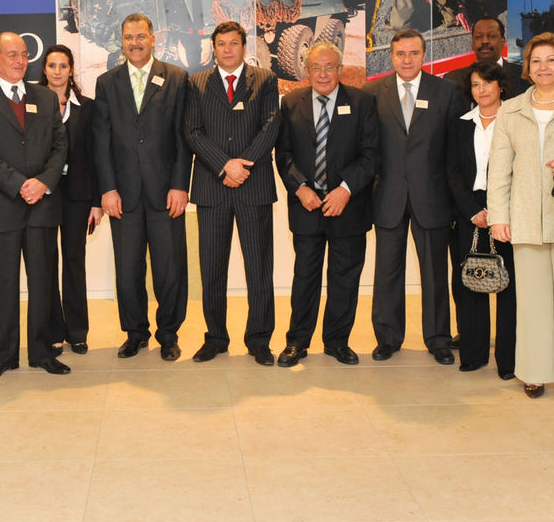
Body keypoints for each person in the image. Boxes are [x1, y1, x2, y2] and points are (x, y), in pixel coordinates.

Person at [488, 32, 554, 399]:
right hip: (525, 219)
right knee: (531, 303)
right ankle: (533, 372)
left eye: (551, 60)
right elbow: (499, 170)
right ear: (527, 69)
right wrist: (499, 216)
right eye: (536, 61)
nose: (543, 67)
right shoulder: (511, 110)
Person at [0, 32, 68, 379]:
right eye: (11, 55)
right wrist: (20, 184)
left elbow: (60, 147)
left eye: (23, 54)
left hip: (41, 207)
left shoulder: (46, 98)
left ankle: (42, 352)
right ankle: (3, 356)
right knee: (4, 285)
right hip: (1, 207)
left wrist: (44, 182)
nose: (19, 61)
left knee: (42, 283)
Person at [91, 14, 191, 361]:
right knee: (129, 269)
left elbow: (183, 137)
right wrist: (107, 189)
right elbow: (100, 141)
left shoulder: (176, 78)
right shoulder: (107, 83)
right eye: (128, 37)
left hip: (166, 194)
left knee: (169, 268)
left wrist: (180, 185)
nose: (135, 42)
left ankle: (168, 334)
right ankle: (135, 333)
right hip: (124, 195)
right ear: (122, 41)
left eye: (141, 36)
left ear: (153, 39)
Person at [274, 41, 378, 367]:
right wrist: (300, 187)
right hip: (306, 207)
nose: (322, 73)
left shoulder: (362, 102)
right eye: (316, 67)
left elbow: (371, 155)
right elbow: (284, 155)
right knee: (305, 276)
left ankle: (336, 341)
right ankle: (297, 342)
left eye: (329, 66)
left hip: (348, 207)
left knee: (344, 278)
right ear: (306, 70)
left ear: (340, 69)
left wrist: (346, 189)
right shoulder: (290, 103)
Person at [183, 21, 280, 365]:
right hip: (212, 186)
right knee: (212, 268)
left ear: (243, 46)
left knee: (259, 267)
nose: (227, 49)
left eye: (234, 43)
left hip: (254, 187)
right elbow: (192, 132)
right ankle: (215, 338)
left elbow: (271, 127)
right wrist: (225, 166)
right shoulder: (196, 83)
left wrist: (243, 166)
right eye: (221, 43)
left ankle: (259, 339)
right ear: (214, 47)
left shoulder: (265, 80)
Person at [363, 29, 459, 365]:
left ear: (423, 55)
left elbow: (454, 153)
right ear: (391, 56)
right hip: (387, 196)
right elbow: (366, 148)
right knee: (387, 271)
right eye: (400, 54)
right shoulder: (373, 92)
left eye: (414, 53)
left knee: (435, 273)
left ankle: (438, 339)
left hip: (432, 198)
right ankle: (388, 337)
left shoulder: (446, 92)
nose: (407, 60)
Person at [447, 61, 517, 377]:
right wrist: (473, 211)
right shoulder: (460, 123)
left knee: (507, 288)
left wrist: (500, 210)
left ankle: (508, 360)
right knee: (472, 282)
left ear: (500, 85)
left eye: (487, 83)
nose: (482, 90)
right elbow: (452, 172)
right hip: (470, 210)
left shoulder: (516, 119)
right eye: (476, 85)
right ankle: (474, 355)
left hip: (508, 208)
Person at [37, 44, 102, 356]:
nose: (58, 71)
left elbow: (97, 156)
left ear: (71, 70)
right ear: (45, 70)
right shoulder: (33, 104)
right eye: (52, 65)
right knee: (46, 263)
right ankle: (53, 331)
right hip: (44, 197)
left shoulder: (87, 108)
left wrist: (97, 202)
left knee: (74, 262)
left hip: (79, 196)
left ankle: (77, 330)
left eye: (63, 66)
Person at [444, 16, 525, 104]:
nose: (485, 41)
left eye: (492, 36)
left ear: (503, 42)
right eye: (478, 37)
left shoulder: (524, 76)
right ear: (472, 44)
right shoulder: (453, 80)